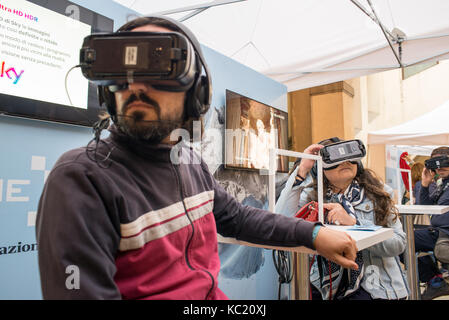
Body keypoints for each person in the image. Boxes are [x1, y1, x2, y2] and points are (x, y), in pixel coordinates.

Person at [35, 16, 359, 300]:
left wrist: (313, 234)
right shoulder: (81, 179)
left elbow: (238, 218)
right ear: (107, 91)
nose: (134, 85)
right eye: (121, 73)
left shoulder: (188, 161)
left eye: (158, 67)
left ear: (195, 96)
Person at [276, 138, 408, 300]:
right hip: (324, 285)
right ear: (320, 168)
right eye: (334, 158)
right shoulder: (312, 198)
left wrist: (356, 223)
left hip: (376, 285)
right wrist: (302, 169)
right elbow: (279, 221)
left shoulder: (379, 194)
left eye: (349, 155)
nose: (345, 161)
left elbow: (399, 243)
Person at [413, 146, 449, 300]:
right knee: (405, 237)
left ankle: (435, 282)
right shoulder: (443, 184)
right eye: (435, 164)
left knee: (406, 240)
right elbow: (424, 206)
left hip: (444, 232)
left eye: (443, 162)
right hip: (437, 231)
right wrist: (425, 184)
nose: (440, 168)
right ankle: (435, 280)